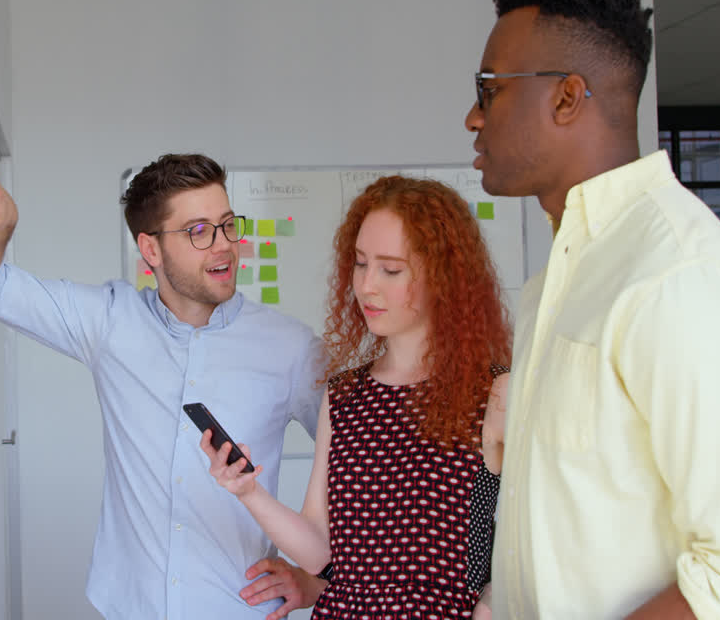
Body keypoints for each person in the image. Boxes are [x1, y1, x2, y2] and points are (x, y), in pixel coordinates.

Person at [464, 0, 720, 618]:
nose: (473, 118)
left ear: (566, 97)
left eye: (489, 90)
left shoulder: (677, 276)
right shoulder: (554, 286)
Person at [0, 153, 328, 620]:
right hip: (129, 607)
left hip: (238, 609)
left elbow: (370, 465)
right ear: (151, 249)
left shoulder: (290, 348)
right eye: (198, 231)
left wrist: (318, 581)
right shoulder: (111, 320)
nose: (224, 246)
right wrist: (1, 223)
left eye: (228, 225)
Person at [202, 175, 512, 619]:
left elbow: (540, 545)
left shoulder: (496, 393)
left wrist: (493, 602)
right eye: (361, 264)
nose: (366, 286)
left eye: (391, 270)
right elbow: (320, 551)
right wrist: (247, 491)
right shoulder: (345, 396)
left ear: (445, 277)